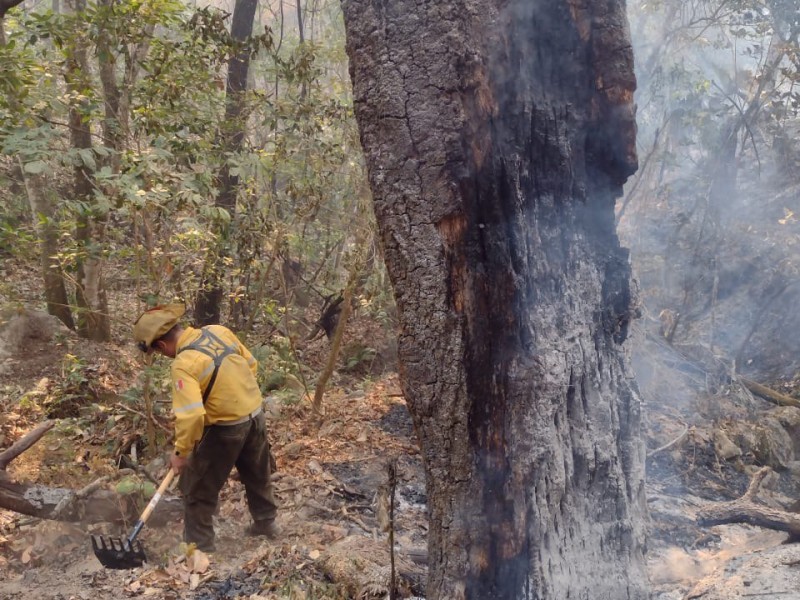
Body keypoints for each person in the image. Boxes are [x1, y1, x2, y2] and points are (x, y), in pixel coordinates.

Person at [132, 303, 279, 552]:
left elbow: (191, 417)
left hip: (224, 430)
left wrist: (181, 454)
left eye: (156, 352)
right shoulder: (218, 331)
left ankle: (198, 548)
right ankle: (266, 524)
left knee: (196, 488)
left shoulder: (183, 363)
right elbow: (251, 364)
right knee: (257, 474)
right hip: (255, 417)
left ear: (160, 345)